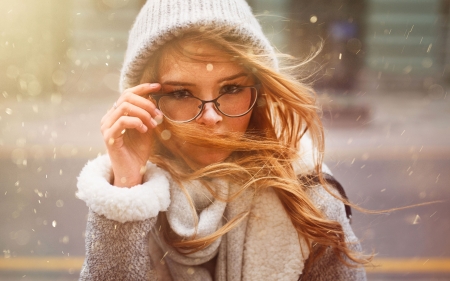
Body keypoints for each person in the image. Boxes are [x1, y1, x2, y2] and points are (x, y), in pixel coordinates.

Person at [76, 0, 368, 280]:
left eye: (230, 88)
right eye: (181, 93)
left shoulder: (309, 203)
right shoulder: (127, 195)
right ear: (145, 103)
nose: (211, 117)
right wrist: (126, 191)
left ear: (259, 92)